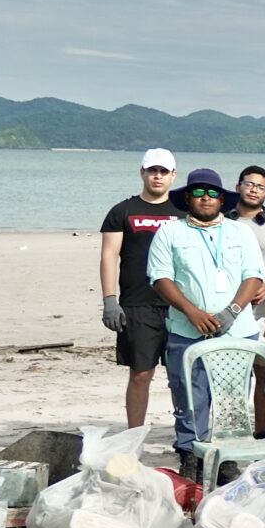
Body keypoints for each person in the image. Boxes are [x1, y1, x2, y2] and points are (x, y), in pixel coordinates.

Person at [145, 169, 265, 479]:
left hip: (237, 331)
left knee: (232, 397)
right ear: (187, 197)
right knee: (189, 396)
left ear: (222, 198)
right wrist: (191, 312)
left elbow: (255, 275)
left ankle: (226, 457)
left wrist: (233, 310)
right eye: (198, 192)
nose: (206, 198)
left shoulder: (240, 232)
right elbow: (160, 278)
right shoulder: (170, 233)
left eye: (213, 193)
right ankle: (190, 455)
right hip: (187, 331)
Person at [98, 148, 179, 431]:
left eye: (164, 172)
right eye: (152, 170)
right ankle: (134, 435)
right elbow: (109, 255)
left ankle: (185, 436)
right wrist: (110, 299)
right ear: (142, 172)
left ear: (173, 176)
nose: (158, 176)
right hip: (137, 304)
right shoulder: (123, 211)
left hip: (179, 305)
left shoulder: (182, 212)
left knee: (181, 374)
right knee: (141, 374)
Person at [230, 165, 265, 256]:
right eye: (249, 184)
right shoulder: (221, 220)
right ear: (238, 188)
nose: (254, 190)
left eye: (261, 188)